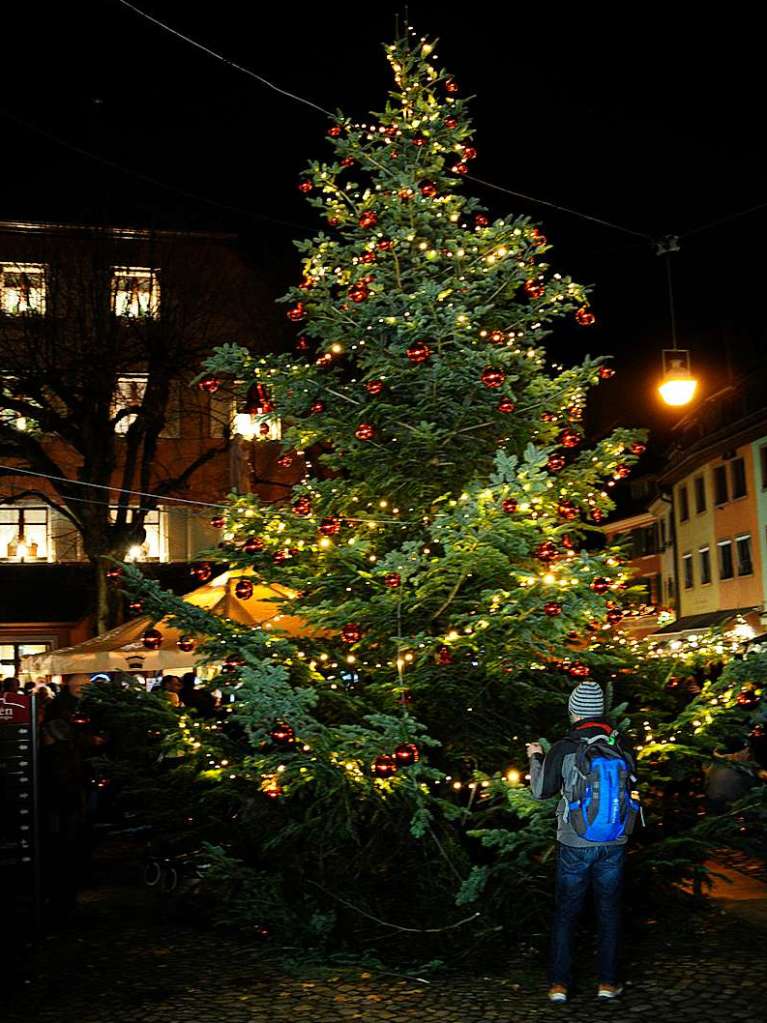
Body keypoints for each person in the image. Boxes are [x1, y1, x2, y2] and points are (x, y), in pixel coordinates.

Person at [526, 680, 638, 1005]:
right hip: (614, 840)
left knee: (566, 912)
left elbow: (541, 791)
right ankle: (608, 982)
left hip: (575, 840)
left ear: (574, 711)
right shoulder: (621, 744)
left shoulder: (565, 745)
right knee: (609, 910)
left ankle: (559, 985)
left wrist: (536, 758)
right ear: (600, 712)